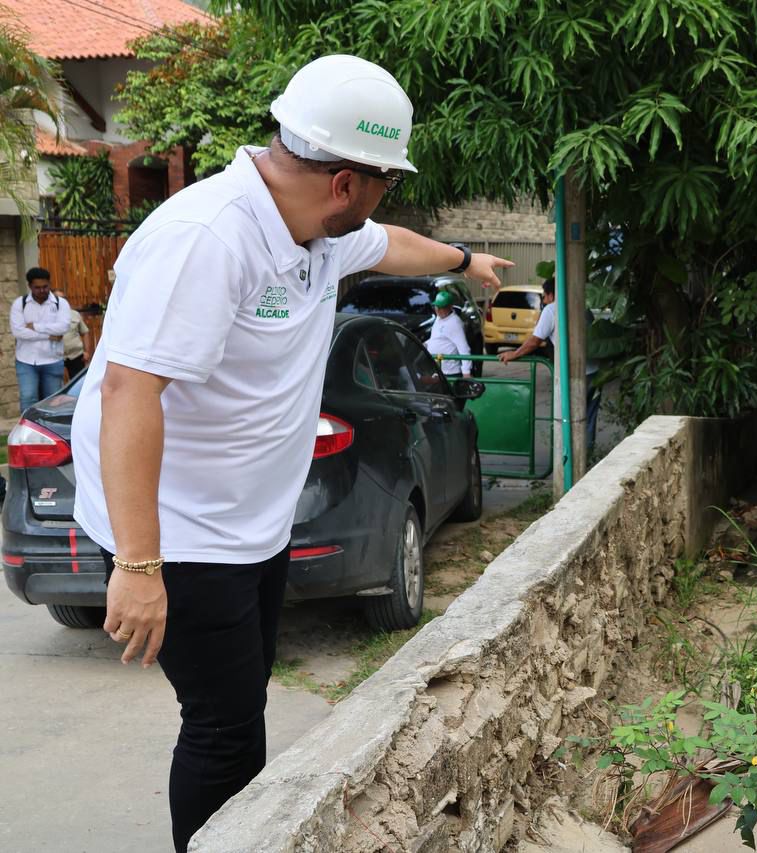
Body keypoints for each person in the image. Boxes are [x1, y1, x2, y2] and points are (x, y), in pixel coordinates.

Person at [68, 54, 512, 852]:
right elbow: (128, 393)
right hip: (182, 531)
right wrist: (138, 566)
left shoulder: (317, 228)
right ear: (345, 181)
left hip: (253, 524)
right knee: (224, 726)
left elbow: (392, 245)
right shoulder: (207, 239)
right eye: (385, 182)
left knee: (244, 702)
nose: (385, 199)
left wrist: (463, 262)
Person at [500, 278, 601, 450]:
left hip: (575, 373)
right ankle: (588, 459)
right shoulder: (582, 307)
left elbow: (535, 341)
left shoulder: (552, 309)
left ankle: (569, 460)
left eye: (544, 296)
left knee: (569, 418)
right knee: (588, 418)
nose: (544, 301)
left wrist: (514, 354)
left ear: (552, 294)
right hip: (596, 371)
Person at [11, 267, 71, 411]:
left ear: (49, 284)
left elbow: (63, 327)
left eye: (45, 286)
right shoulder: (20, 303)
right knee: (28, 398)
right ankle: (27, 432)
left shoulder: (60, 303)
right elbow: (18, 332)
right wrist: (50, 334)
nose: (42, 290)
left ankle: (50, 431)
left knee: (53, 400)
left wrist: (35, 327)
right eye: (37, 287)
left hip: (53, 359)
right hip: (26, 361)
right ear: (30, 286)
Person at [425, 289, 472, 378]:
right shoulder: (439, 318)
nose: (438, 310)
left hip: (449, 372)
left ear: (450, 307)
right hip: (438, 369)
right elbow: (437, 338)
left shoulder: (454, 323)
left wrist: (466, 372)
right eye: (436, 306)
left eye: (441, 307)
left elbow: (463, 348)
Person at [55, 289, 90, 378]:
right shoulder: (47, 316)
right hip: (56, 357)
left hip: (76, 355)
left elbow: (85, 332)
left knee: (78, 383)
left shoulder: (74, 314)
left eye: (63, 298)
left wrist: (86, 352)